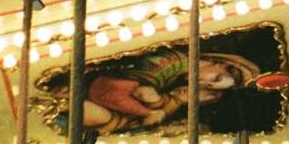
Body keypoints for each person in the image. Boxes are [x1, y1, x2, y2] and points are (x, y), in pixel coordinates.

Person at [43, 47, 265, 134]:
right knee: (103, 115)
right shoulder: (171, 63)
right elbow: (107, 92)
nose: (204, 85)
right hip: (75, 87)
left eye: (211, 87)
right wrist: (147, 112)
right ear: (218, 62)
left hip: (101, 118)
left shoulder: (176, 88)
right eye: (215, 78)